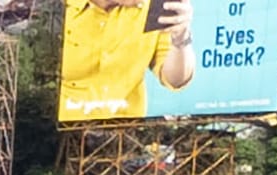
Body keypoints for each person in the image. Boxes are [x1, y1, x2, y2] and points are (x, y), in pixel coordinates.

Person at [60, 0, 198, 122]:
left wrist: (180, 38)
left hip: (124, 134)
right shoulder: (52, 8)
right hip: (59, 132)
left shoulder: (152, 6)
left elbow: (175, 80)